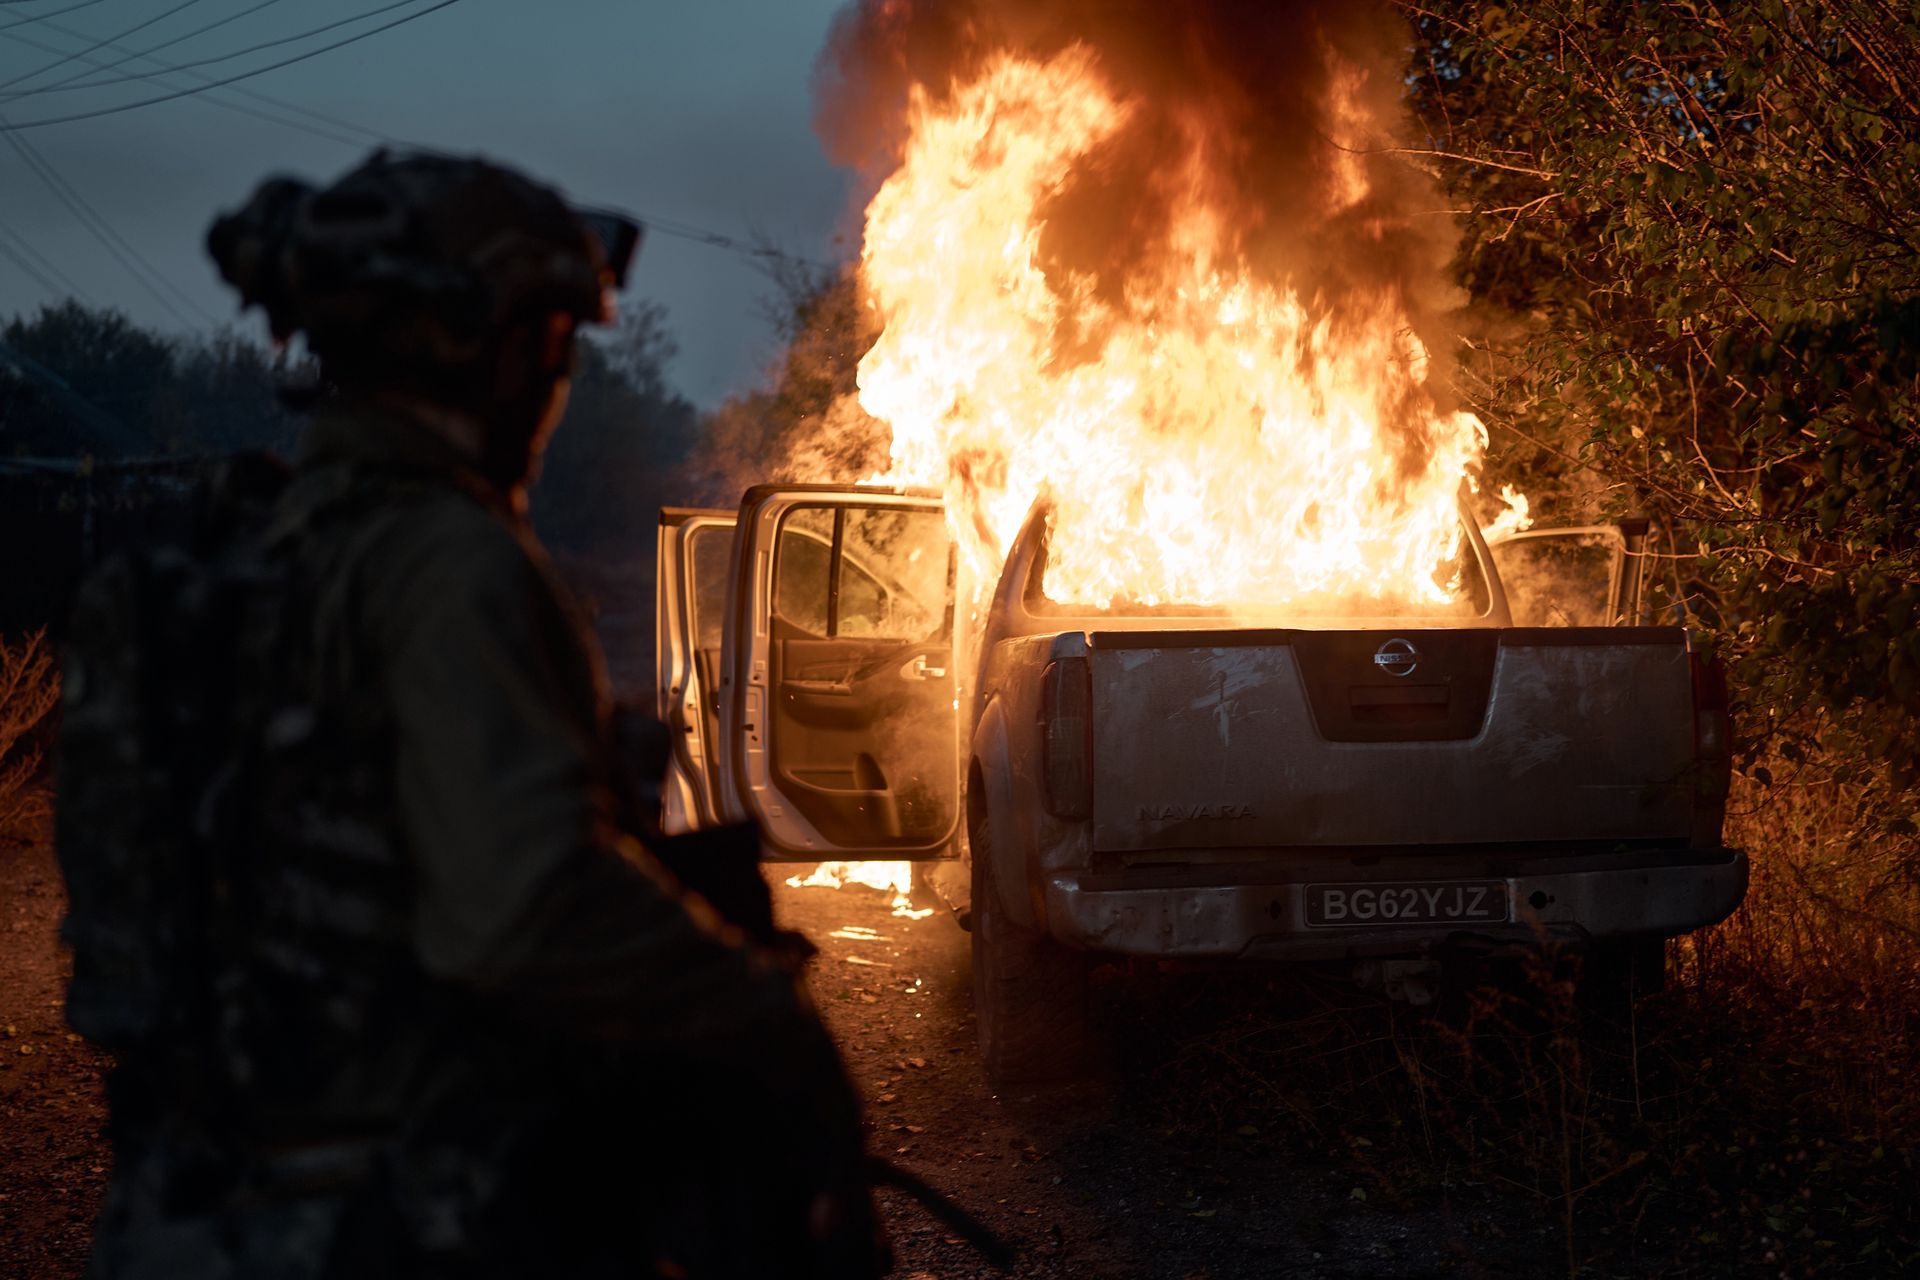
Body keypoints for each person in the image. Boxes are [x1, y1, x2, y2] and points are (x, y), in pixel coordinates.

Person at [63, 151, 884, 1279]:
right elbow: (522, 907)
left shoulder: (258, 550)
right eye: (549, 347)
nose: (554, 387)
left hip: (189, 1210)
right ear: (477, 353)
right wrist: (771, 1028)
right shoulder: (448, 564)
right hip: (398, 1223)